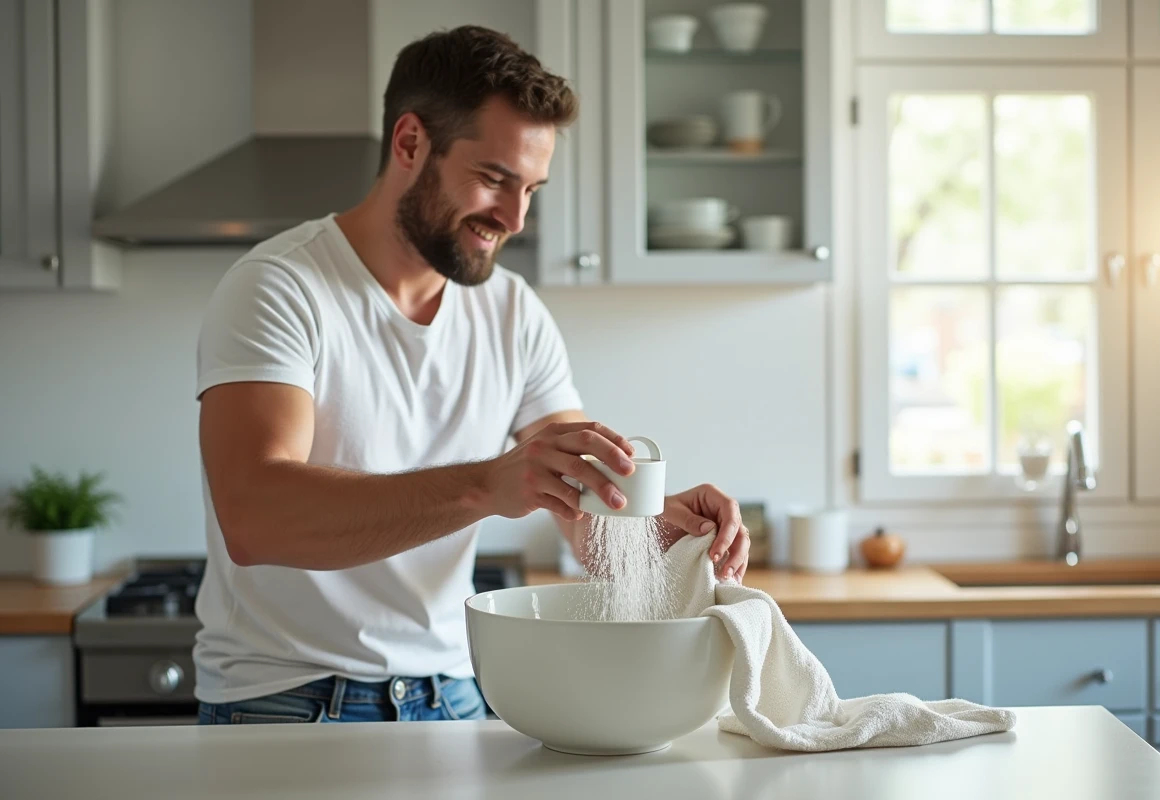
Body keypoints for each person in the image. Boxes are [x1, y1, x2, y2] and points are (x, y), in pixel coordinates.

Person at [193, 25, 751, 726]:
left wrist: (659, 527)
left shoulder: (512, 310)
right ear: (409, 144)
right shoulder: (280, 288)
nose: (515, 218)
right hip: (285, 700)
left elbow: (580, 498)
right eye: (494, 179)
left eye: (532, 189)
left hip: (454, 697)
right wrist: (487, 485)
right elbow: (255, 517)